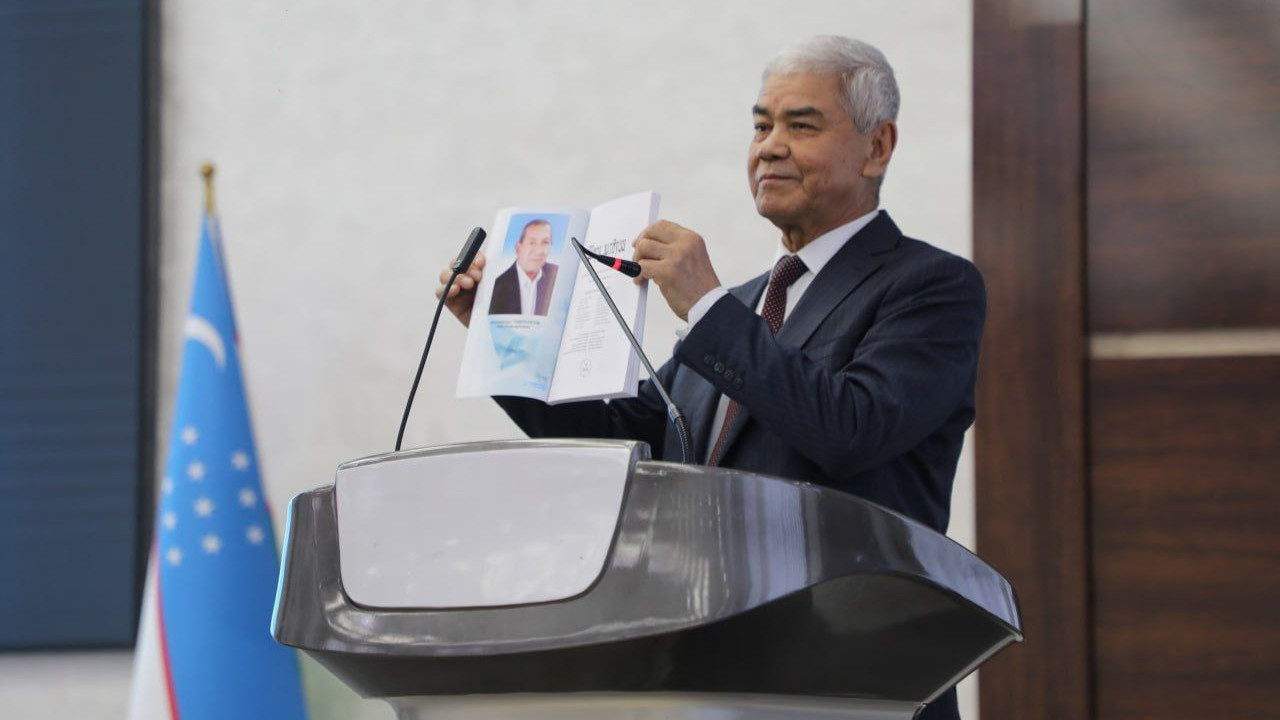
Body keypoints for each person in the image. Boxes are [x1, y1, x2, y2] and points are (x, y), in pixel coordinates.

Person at [437, 36, 982, 720]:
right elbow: (633, 439)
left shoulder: (930, 286)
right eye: (760, 126)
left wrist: (705, 304)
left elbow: (850, 428)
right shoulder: (744, 306)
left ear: (877, 147)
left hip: (857, 681)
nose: (769, 147)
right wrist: (505, 344)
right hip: (718, 675)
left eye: (801, 125)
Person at [488, 218, 559, 316]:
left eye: (545, 242)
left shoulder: (558, 275)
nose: (539, 251)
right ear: (518, 248)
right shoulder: (497, 286)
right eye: (532, 243)